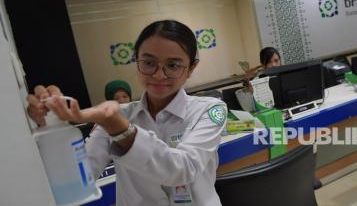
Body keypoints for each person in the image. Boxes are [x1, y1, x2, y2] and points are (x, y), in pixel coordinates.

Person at [26, 20, 227, 206]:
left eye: (173, 65)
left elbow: (183, 168)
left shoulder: (209, 109)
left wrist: (121, 131)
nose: (158, 75)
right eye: (149, 63)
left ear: (191, 68)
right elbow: (81, 176)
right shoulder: (117, 115)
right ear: (136, 60)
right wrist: (51, 125)